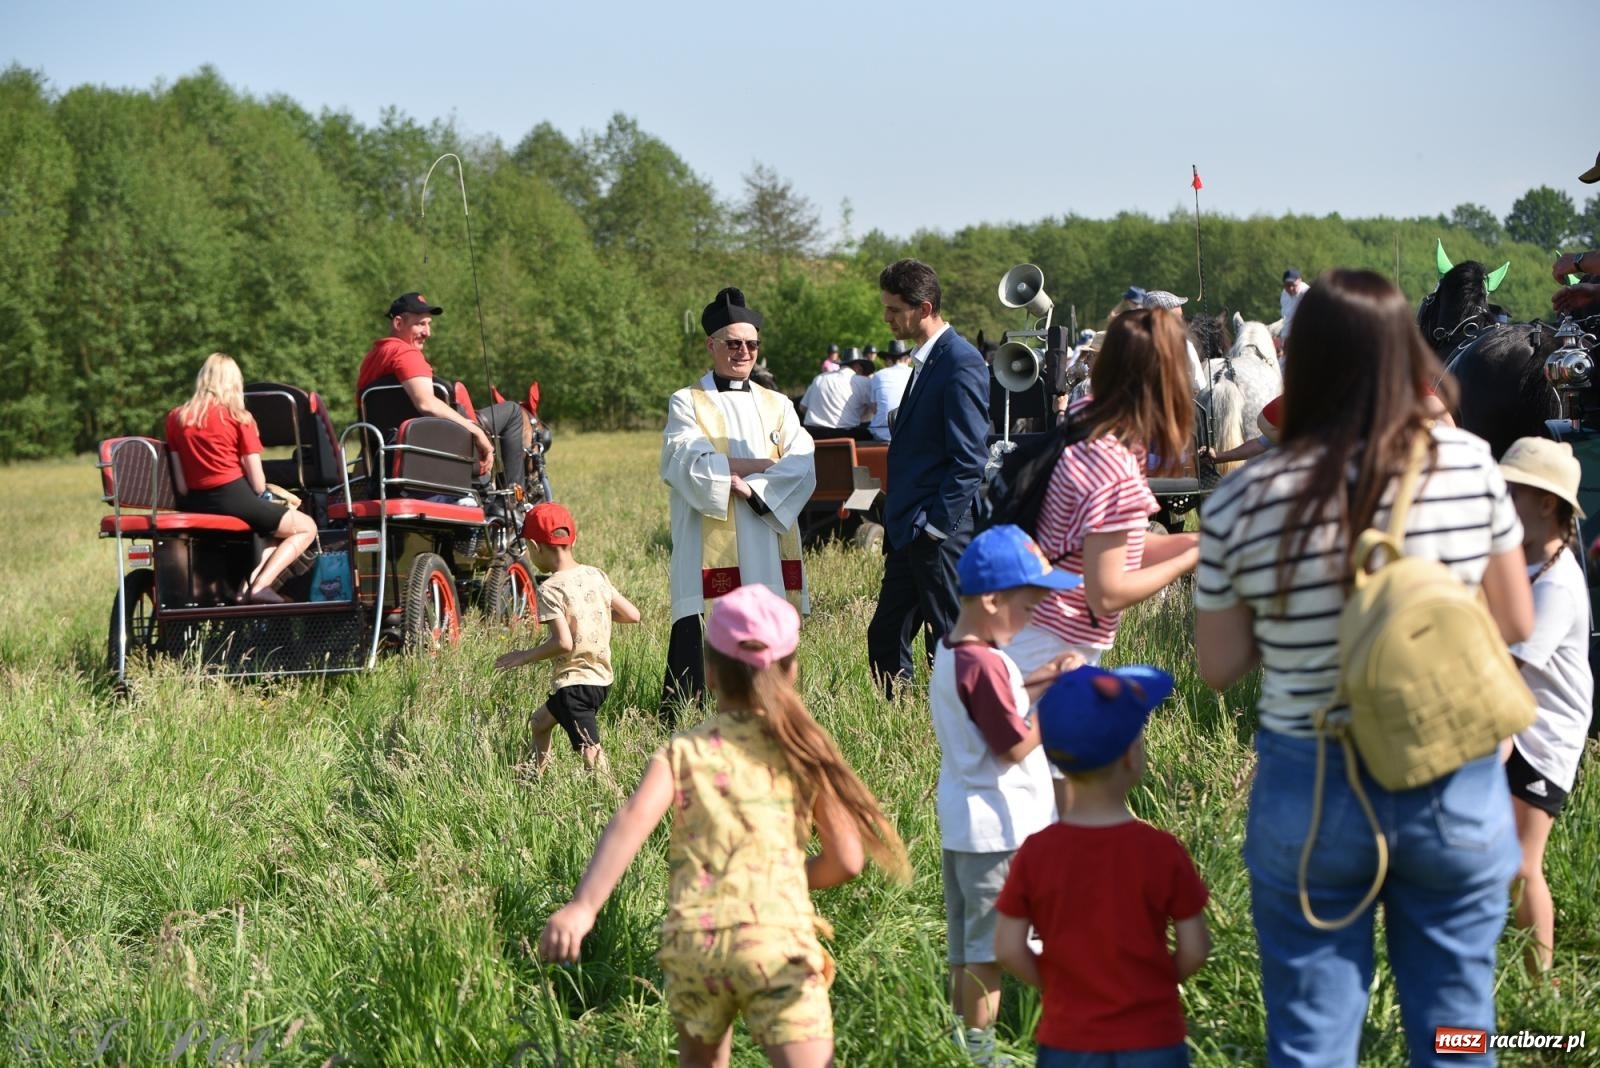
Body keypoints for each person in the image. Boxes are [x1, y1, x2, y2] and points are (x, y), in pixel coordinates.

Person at [1193, 268, 1533, 1066]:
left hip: (1312, 784)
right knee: (1458, 1028)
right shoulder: (1468, 465)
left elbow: (1219, 664)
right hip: (1450, 772)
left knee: (1311, 1037)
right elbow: (1517, 620)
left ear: (1299, 358)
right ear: (1404, 351)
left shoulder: (1246, 499)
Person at [538, 584, 911, 1068]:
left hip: (697, 946)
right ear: (791, 670)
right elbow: (848, 861)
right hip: (777, 945)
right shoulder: (804, 751)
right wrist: (781, 878)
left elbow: (630, 821)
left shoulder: (682, 752)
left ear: (710, 671)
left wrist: (583, 907)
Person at [995, 664, 1210, 1068]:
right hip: (1152, 1037)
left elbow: (1007, 947)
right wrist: (1154, 985)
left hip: (1067, 1040)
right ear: (1131, 755)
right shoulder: (1162, 851)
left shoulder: (1037, 852)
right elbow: (1195, 949)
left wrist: (1057, 986)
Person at [932, 525, 1082, 1065]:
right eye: (1027, 607)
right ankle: (984, 1052)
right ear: (993, 600)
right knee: (990, 954)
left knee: (966, 949)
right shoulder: (987, 664)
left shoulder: (953, 651)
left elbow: (1001, 703)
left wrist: (1045, 676)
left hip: (964, 828)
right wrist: (1057, 705)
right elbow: (1014, 744)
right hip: (999, 833)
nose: (1031, 618)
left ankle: (962, 1042)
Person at [1006, 310, 1200, 681]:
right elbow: (1107, 594)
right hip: (1048, 653)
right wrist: (1187, 560)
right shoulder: (1113, 462)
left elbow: (1119, 544)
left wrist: (1201, 543)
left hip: (1030, 632)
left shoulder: (1087, 418)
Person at [659, 287, 816, 724]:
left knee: (765, 624)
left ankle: (767, 706)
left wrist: (751, 488)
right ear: (711, 345)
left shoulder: (778, 404)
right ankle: (686, 715)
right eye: (732, 343)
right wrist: (765, 466)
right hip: (707, 540)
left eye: (751, 344)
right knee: (700, 625)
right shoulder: (687, 401)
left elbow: (803, 463)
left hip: (766, 531)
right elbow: (687, 461)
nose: (743, 352)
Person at [868, 259, 992, 698]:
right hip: (911, 529)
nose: (886, 318)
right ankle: (900, 715)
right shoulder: (928, 360)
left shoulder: (960, 362)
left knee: (951, 638)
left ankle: (966, 719)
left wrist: (936, 527)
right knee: (886, 635)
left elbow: (970, 458)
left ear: (923, 308)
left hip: (939, 532)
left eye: (894, 309)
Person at [1496, 438, 1593, 981]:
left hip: (1546, 739)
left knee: (1521, 863)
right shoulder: (1524, 562)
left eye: (1512, 491)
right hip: (1515, 725)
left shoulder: (1558, 584)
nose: (1501, 500)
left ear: (1546, 503)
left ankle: (1541, 990)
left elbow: (1506, 665)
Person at [494, 502, 641, 775]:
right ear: (573, 539)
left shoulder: (550, 589)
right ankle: (533, 777)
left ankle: (615, 795)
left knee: (591, 752)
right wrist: (593, 616)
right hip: (601, 678)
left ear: (535, 547)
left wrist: (522, 657)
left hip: (575, 684)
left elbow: (563, 643)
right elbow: (633, 615)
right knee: (539, 723)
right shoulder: (595, 575)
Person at [164, 353, 319, 605]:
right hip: (234, 499)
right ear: (233, 382)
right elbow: (257, 483)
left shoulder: (176, 418)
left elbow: (181, 484)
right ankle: (261, 586)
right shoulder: (239, 417)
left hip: (195, 502)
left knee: (273, 529)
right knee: (306, 527)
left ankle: (245, 588)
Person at [356, 292, 531, 488]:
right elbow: (426, 403)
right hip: (433, 453)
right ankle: (514, 495)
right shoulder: (405, 354)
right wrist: (475, 430)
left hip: (385, 457)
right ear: (398, 323)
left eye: (429, 324)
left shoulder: (371, 360)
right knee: (513, 411)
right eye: (420, 324)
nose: (427, 332)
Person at [799, 347, 873, 440]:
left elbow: (802, 408)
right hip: (845, 435)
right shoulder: (863, 381)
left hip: (813, 435)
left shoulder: (819, 378)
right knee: (872, 432)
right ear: (859, 367)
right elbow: (875, 409)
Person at [868, 339, 914, 441]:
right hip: (909, 433)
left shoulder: (878, 375)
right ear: (908, 358)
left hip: (881, 433)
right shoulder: (915, 374)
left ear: (889, 359)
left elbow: (874, 408)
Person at [1279, 269, 1310, 339]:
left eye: (1293, 285)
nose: (1291, 288)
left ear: (1300, 280)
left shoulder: (1308, 294)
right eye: (1287, 285)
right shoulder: (1284, 294)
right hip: (1288, 335)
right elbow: (1286, 317)